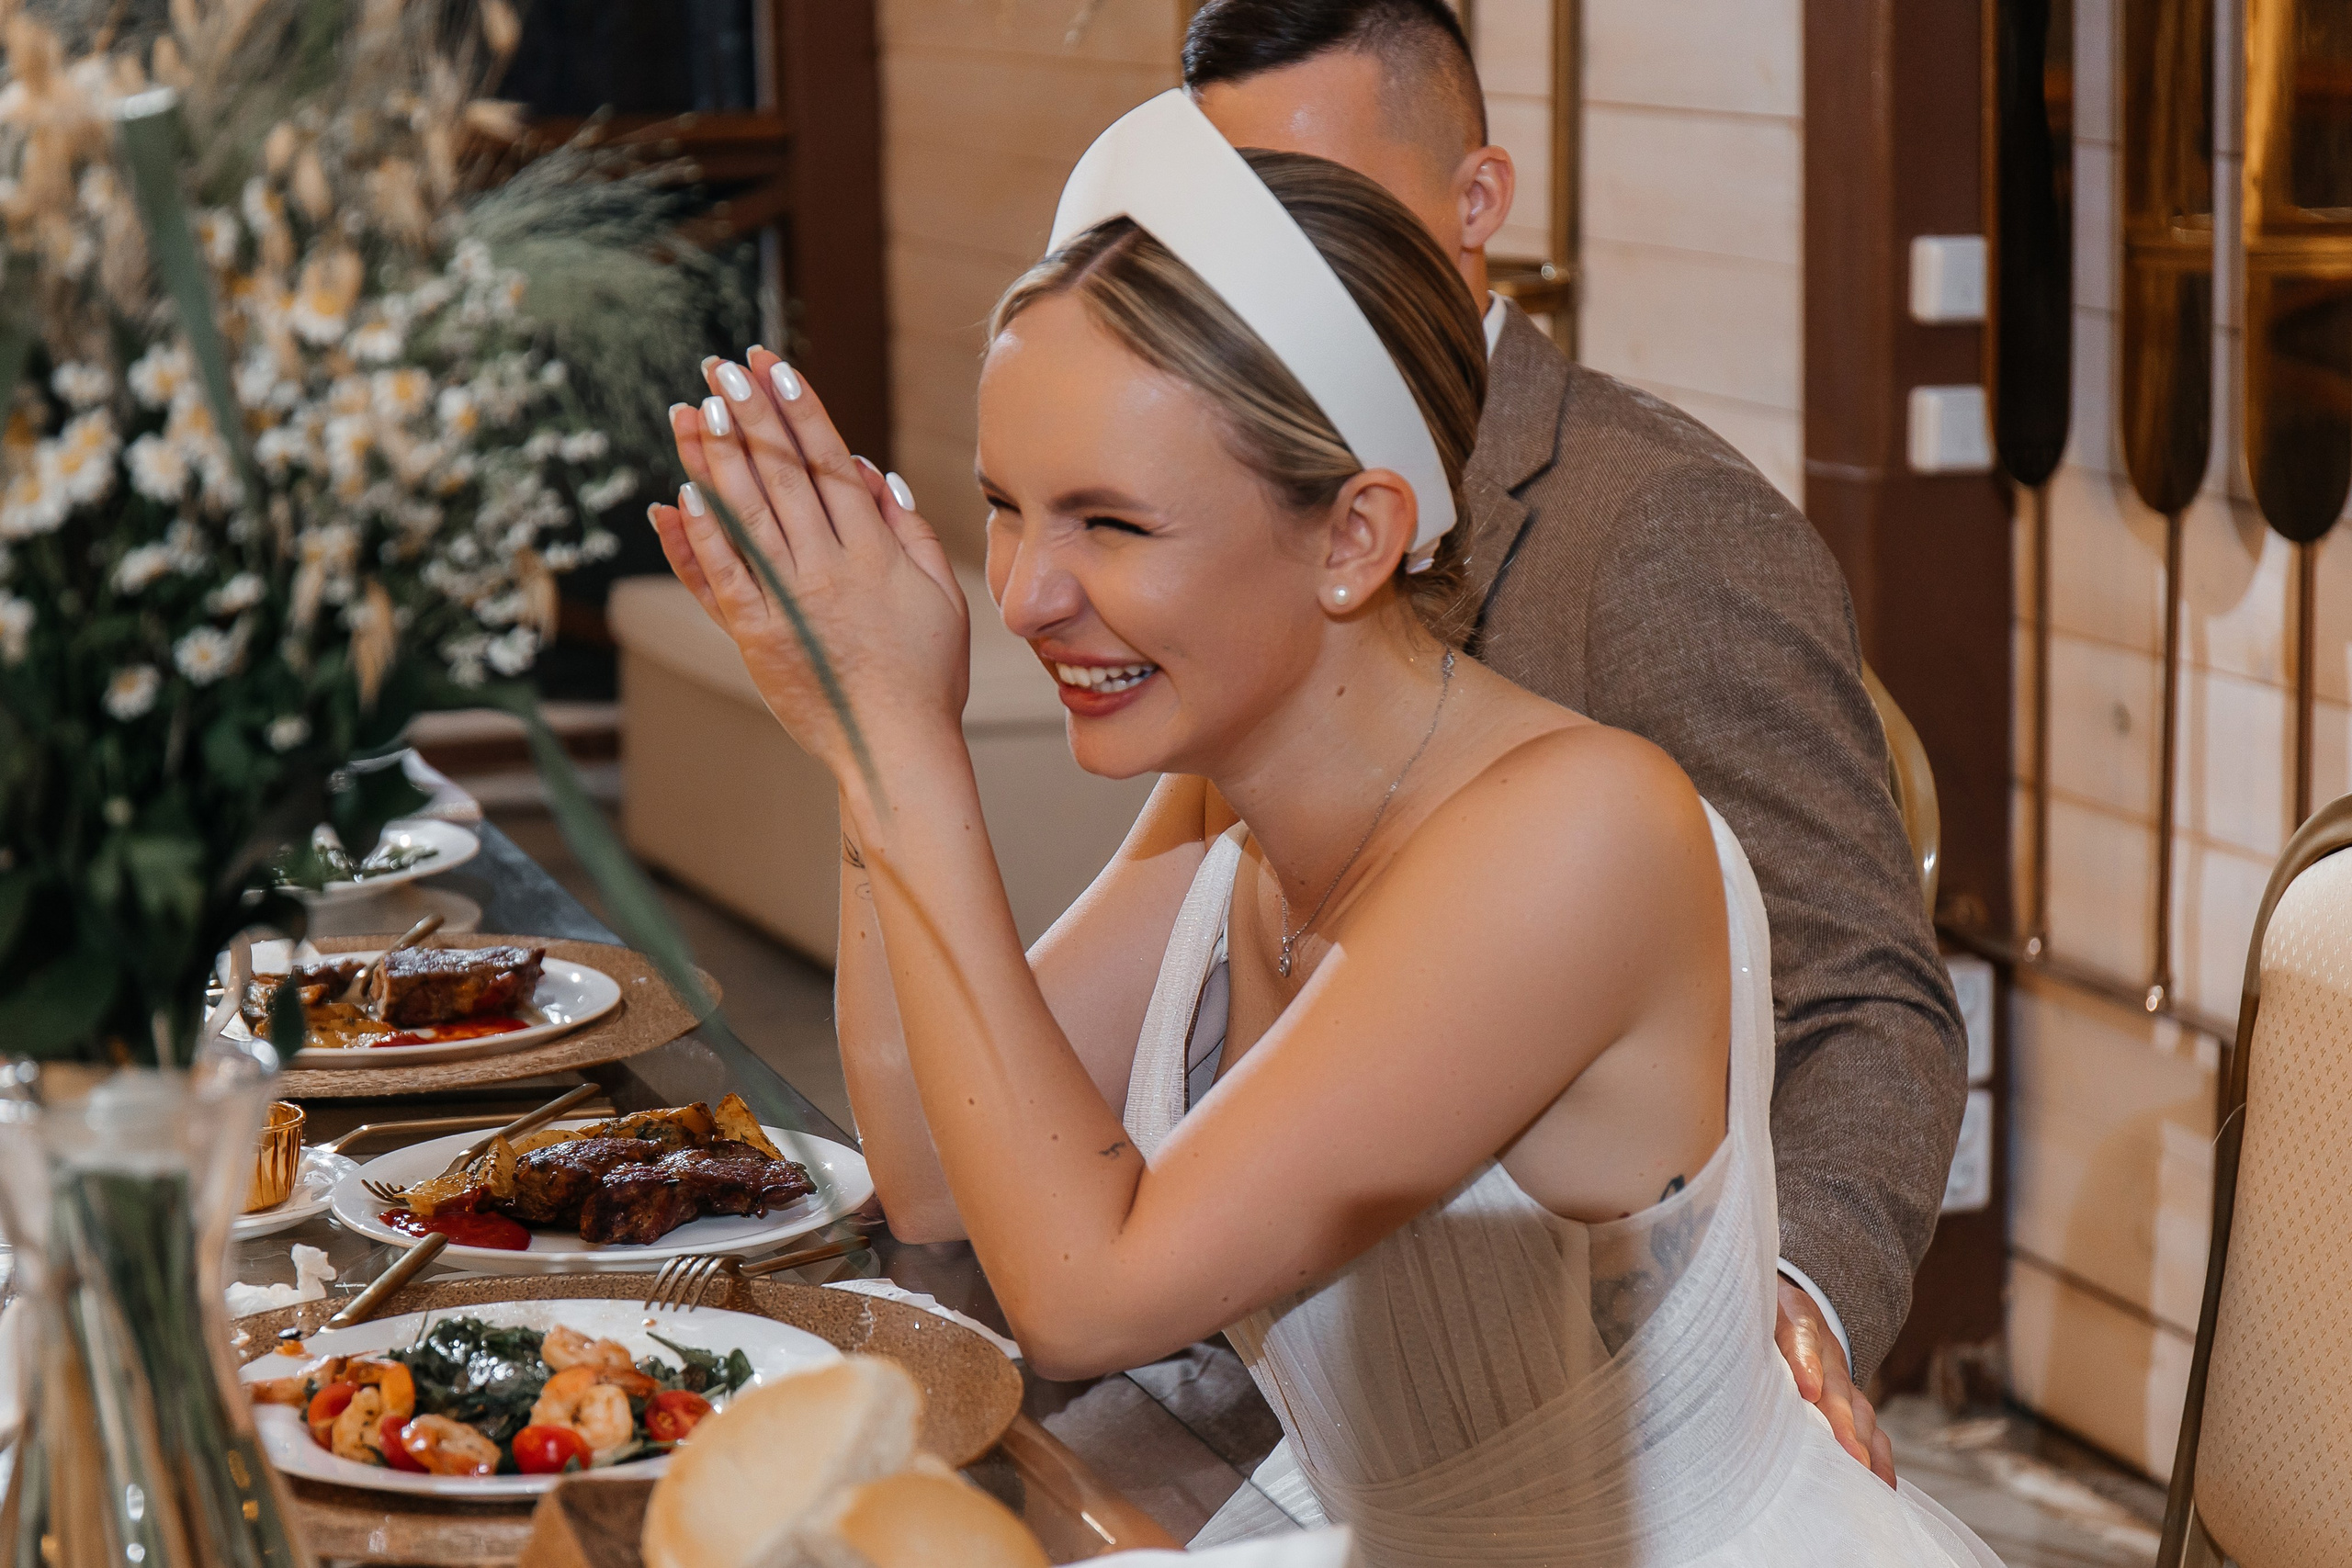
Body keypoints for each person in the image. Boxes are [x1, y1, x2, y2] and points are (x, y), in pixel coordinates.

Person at [646, 90, 1997, 1567]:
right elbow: (929, 1172)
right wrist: (860, 744)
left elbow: (1088, 1293)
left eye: (1110, 523)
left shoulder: (1574, 837)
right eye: (1006, 508)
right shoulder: (1225, 798)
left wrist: (912, 751)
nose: (1026, 592)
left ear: (1353, 536)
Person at [1175, 0, 1970, 1475]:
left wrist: (1787, 1312)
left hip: (1552, 1402)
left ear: (1478, 200)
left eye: (1323, 213)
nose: (1270, 278)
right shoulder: (1236, 486)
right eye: (1231, 225)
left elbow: (1867, 1003)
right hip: (1262, 1331)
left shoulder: (1658, 531)